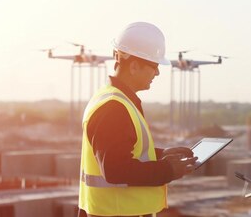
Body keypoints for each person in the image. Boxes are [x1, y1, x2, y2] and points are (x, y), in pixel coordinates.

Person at [78, 22, 197, 217]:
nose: (157, 73)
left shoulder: (115, 100)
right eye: (154, 66)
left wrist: (160, 154)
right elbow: (115, 169)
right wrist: (167, 170)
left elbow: (123, 152)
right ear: (134, 66)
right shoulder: (113, 108)